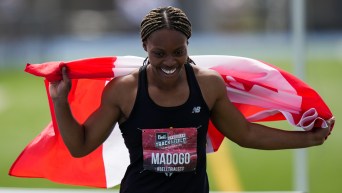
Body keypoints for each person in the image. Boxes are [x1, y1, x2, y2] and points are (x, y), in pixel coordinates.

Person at [49, 6, 334, 193]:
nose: (170, 61)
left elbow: (244, 134)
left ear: (188, 45)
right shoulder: (124, 91)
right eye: (159, 53)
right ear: (145, 47)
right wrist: (60, 102)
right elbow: (80, 146)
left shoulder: (208, 85)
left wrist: (307, 139)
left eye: (179, 51)